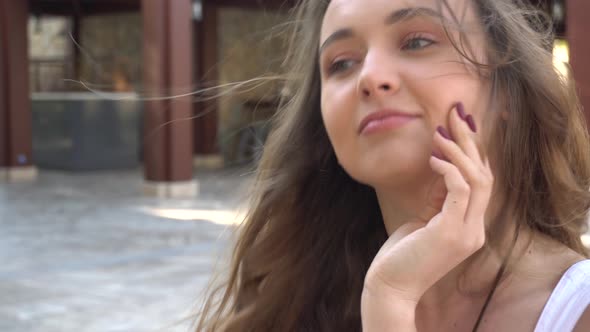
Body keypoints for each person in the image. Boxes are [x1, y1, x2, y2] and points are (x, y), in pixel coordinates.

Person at [196, 0, 590, 331]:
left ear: (507, 89)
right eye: (341, 64)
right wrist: (388, 291)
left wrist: (390, 301)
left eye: (417, 41)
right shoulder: (296, 302)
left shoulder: (575, 309)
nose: (369, 77)